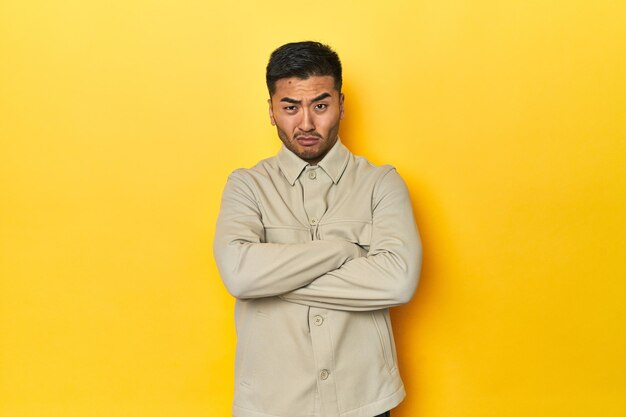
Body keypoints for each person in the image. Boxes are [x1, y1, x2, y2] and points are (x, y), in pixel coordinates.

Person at [214, 41, 422, 417]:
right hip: (271, 402)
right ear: (272, 110)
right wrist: (344, 251)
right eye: (290, 107)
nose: (306, 123)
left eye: (320, 105)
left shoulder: (381, 183)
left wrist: (274, 281)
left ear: (341, 104)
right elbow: (240, 275)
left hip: (365, 399)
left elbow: (397, 281)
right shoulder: (246, 186)